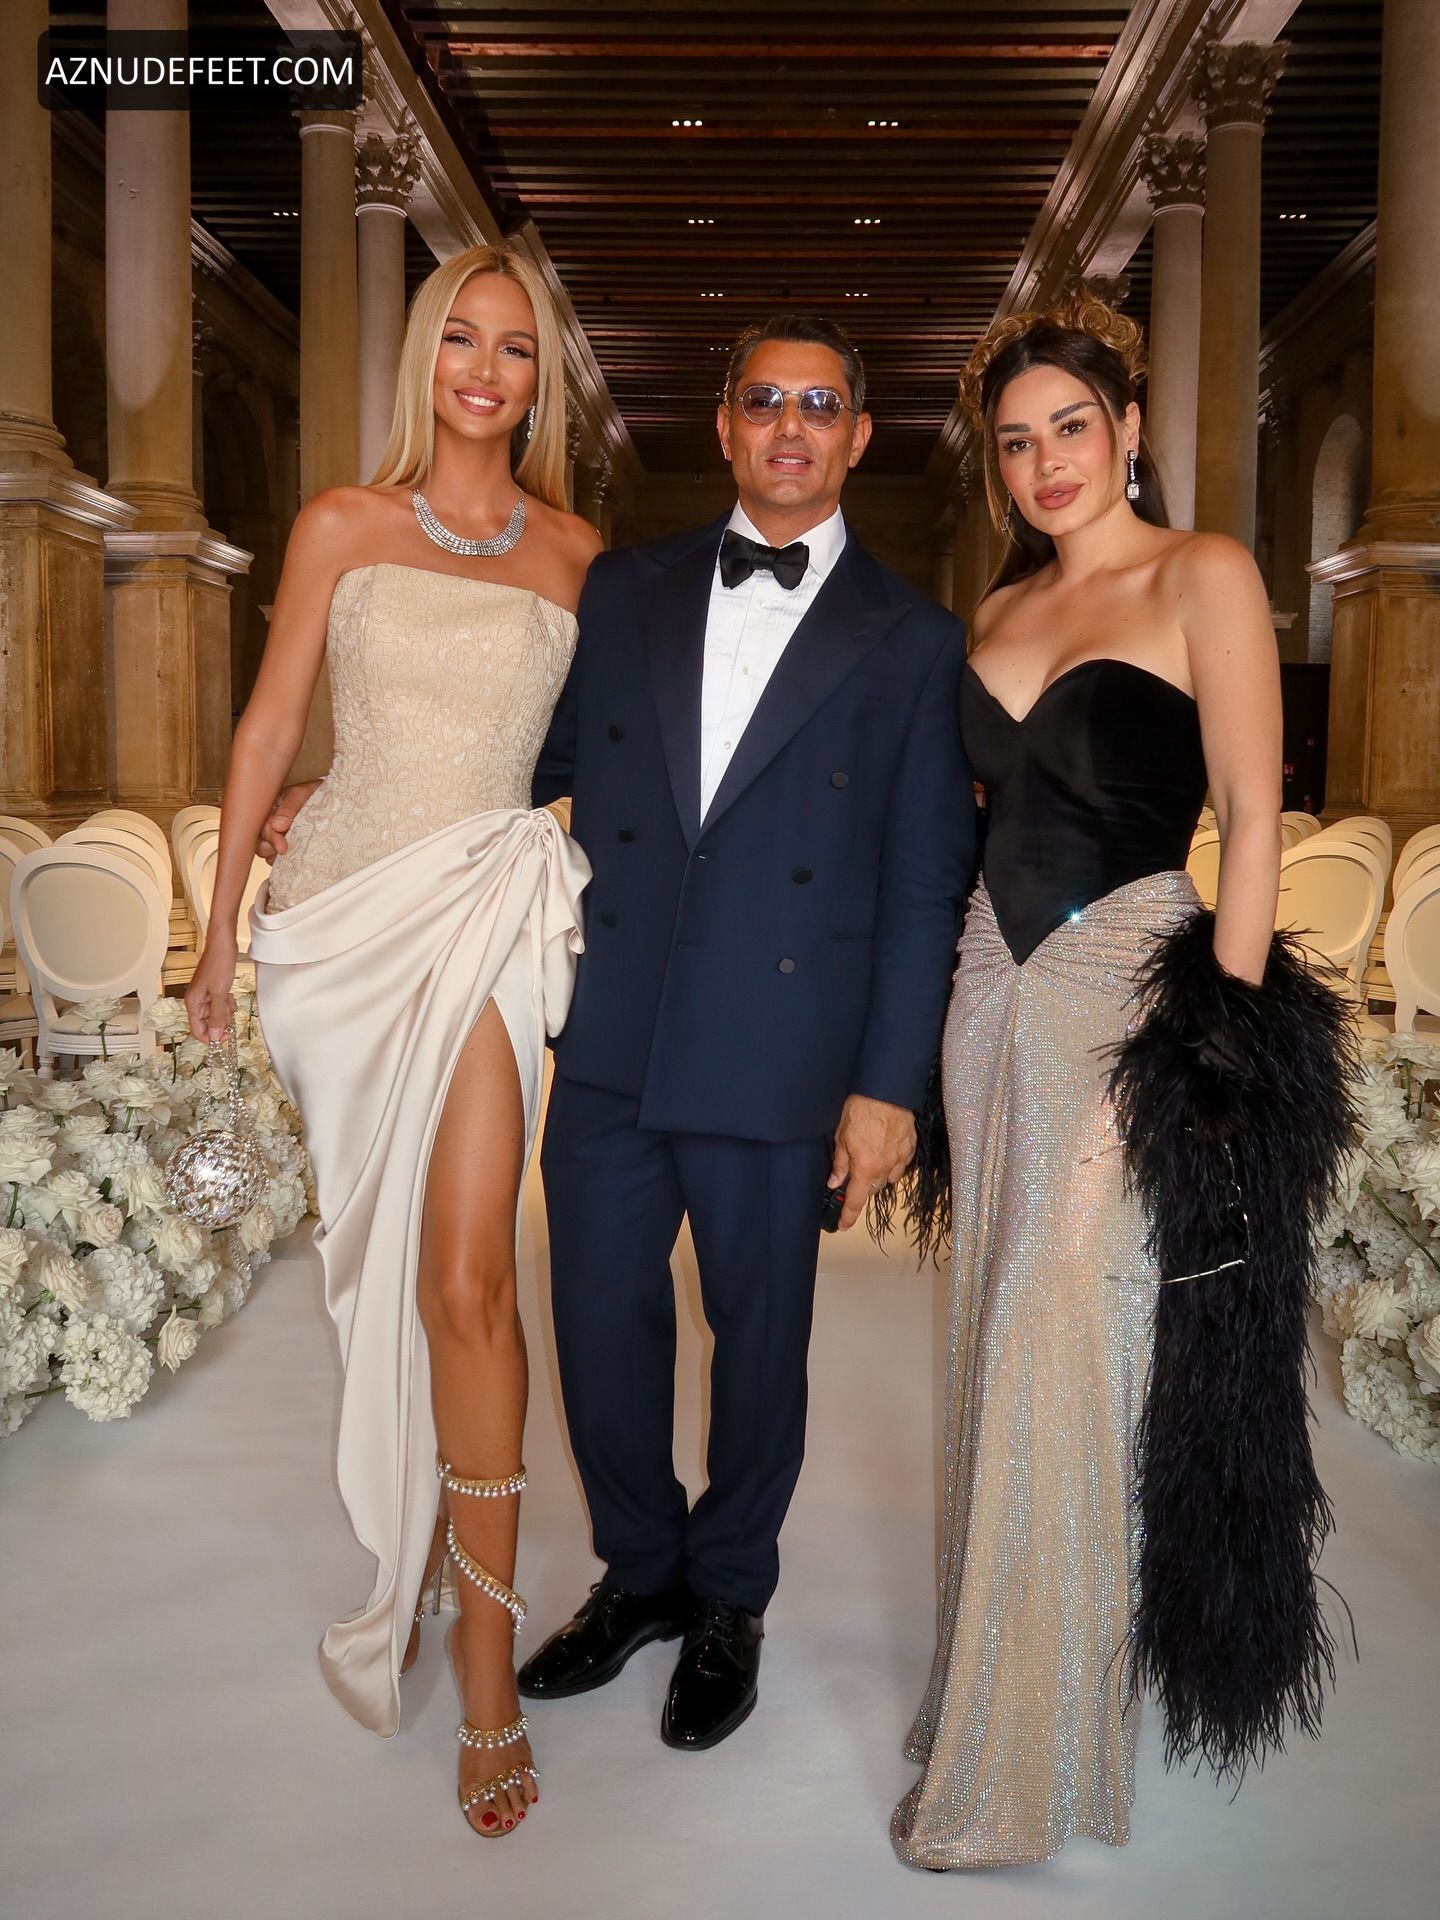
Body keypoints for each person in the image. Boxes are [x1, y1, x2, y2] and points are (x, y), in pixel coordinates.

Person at [891, 291, 1349, 1870]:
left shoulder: (1201, 573)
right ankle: (986, 1694)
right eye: (1018, 442)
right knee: (989, 1324)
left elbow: (1254, 814)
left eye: (1071, 427)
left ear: (1130, 426)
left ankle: (1029, 1767)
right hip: (985, 992)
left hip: (1129, 990)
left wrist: (1221, 1042)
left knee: (1065, 1332)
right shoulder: (999, 606)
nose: (1047, 463)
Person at [512, 315, 977, 1750]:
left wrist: (888, 1086)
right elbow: (524, 761)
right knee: (598, 1317)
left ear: (858, 437)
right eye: (764, 400)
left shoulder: (914, 639)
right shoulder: (624, 587)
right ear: (722, 425)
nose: (789, 426)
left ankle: (729, 1595)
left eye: (819, 405)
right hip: (615, 1031)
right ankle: (638, 1572)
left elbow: (925, 882)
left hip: (785, 1049)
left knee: (762, 1340)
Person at [186, 241, 600, 1838]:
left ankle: (485, 1662)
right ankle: (424, 1532)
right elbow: (270, 724)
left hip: (483, 910)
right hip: (343, 921)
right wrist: (218, 927)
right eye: (462, 340)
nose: (486, 370)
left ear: (540, 378)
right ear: (425, 356)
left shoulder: (576, 555)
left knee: (469, 1277)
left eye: (515, 348)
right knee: (382, 1273)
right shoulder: (341, 525)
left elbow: (614, 756)